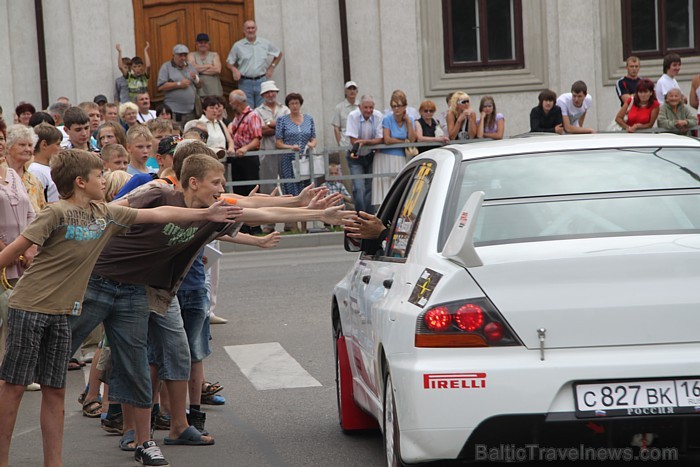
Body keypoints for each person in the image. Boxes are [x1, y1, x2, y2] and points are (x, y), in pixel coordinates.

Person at [0, 148, 241, 467]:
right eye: (99, 175)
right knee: (14, 386)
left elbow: (158, 215)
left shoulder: (104, 213)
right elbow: (12, 253)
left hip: (62, 312)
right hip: (29, 306)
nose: (105, 180)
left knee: (54, 389)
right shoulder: (55, 213)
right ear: (81, 182)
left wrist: (206, 214)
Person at [226, 20, 283, 108]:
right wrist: (234, 69)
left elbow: (279, 53)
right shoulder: (238, 46)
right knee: (247, 110)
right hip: (245, 83)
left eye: (252, 28)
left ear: (256, 29)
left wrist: (272, 67)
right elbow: (229, 62)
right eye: (248, 28)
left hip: (261, 81)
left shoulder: (264, 43)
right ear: (243, 30)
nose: (250, 30)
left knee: (263, 109)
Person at [373, 90, 415, 208]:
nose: (396, 109)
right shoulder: (387, 119)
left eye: (399, 106)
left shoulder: (410, 119)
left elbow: (412, 139)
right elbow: (387, 139)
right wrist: (403, 142)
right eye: (394, 106)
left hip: (400, 156)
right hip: (385, 156)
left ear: (405, 106)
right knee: (385, 186)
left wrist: (408, 122)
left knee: (399, 186)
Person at [345, 95, 383, 214]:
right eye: (365, 107)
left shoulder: (378, 116)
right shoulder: (353, 116)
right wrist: (368, 143)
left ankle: (369, 217)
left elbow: (380, 139)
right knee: (359, 187)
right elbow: (353, 140)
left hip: (370, 155)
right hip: (355, 156)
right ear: (359, 107)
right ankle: (360, 216)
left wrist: (365, 142)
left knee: (370, 188)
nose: (368, 110)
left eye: (371, 107)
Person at [275, 92, 316, 197]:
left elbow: (314, 139)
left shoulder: (309, 119)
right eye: (292, 103)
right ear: (288, 105)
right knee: (290, 187)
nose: (294, 106)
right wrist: (291, 147)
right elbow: (278, 143)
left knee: (307, 186)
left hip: (305, 158)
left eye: (296, 103)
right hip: (288, 159)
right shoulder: (282, 120)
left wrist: (311, 144)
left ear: (300, 104)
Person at [255, 80, 289, 200]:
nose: (270, 94)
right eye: (267, 92)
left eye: (273, 92)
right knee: (268, 183)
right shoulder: (257, 111)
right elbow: (260, 131)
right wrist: (281, 126)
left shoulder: (285, 109)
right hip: (267, 150)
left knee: (287, 181)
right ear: (263, 95)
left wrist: (270, 124)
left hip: (285, 151)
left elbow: (289, 128)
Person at [157, 44, 202, 126]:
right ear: (173, 55)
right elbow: (161, 87)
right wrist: (179, 84)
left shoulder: (190, 67)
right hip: (174, 112)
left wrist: (196, 79)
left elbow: (199, 86)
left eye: (185, 55)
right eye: (180, 55)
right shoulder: (166, 67)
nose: (183, 58)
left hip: (191, 111)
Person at [229, 89, 262, 197]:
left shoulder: (253, 116)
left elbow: (257, 138)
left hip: (249, 156)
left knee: (251, 187)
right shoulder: (237, 117)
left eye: (231, 101)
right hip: (237, 156)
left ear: (237, 102)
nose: (229, 104)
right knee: (238, 188)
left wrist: (245, 148)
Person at [6, 125, 46, 214]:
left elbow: (41, 213)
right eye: (22, 145)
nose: (27, 149)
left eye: (30, 145)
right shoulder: (2, 173)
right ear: (8, 147)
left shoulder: (35, 182)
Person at [28, 123, 63, 203]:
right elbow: (37, 203)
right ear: (44, 145)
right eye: (58, 144)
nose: (60, 148)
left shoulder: (50, 168)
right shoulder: (36, 170)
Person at [188, 33, 224, 99]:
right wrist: (209, 65)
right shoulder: (191, 55)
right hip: (199, 91)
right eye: (200, 42)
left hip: (214, 90)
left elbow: (217, 70)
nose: (203, 44)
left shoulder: (214, 55)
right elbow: (191, 68)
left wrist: (199, 70)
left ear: (209, 44)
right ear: (196, 44)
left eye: (205, 42)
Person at [332, 81, 358, 149]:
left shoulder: (361, 106)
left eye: (354, 89)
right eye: (349, 89)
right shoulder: (339, 107)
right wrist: (340, 144)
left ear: (357, 91)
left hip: (359, 141)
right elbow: (336, 127)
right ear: (345, 92)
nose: (352, 91)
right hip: (345, 143)